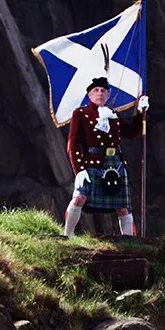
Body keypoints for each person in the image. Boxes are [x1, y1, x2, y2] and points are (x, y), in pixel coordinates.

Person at [63, 77, 149, 237]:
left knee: (123, 208)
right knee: (79, 198)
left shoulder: (112, 115)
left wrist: (140, 112)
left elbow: (131, 133)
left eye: (103, 91)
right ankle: (66, 236)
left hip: (115, 164)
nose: (100, 93)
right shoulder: (81, 113)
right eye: (96, 90)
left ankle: (130, 242)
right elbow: (72, 144)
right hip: (92, 163)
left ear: (108, 95)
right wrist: (79, 170)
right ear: (89, 94)